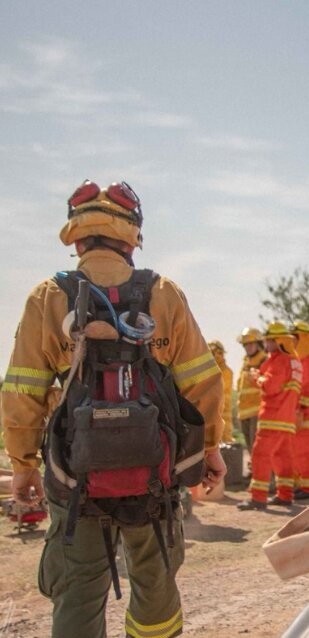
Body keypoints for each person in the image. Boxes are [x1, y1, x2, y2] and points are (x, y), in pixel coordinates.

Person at [1, 179, 226, 637]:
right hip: (154, 479)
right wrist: (210, 449)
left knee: (78, 592)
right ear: (132, 238)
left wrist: (22, 466)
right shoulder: (164, 292)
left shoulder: (47, 297)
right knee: (155, 585)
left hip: (74, 479)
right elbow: (202, 382)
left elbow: (23, 392)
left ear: (76, 239)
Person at [237, 321, 302, 510]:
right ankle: (285, 495)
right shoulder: (294, 361)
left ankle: (258, 498)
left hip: (272, 417)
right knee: (283, 457)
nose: (267, 344)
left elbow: (271, 386)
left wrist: (257, 377)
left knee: (260, 455)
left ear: (280, 341)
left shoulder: (279, 360)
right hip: (287, 418)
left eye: (270, 340)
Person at [290, 320, 309, 499]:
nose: (292, 341)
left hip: (308, 415)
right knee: (298, 452)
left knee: (305, 452)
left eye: (295, 337)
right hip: (303, 413)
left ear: (303, 338)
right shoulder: (302, 359)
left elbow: (308, 386)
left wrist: (301, 409)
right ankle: (302, 485)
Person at [236, 326, 267, 473]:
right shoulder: (245, 363)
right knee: (250, 446)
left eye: (250, 344)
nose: (247, 347)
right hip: (244, 412)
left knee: (259, 446)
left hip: (258, 411)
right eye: (245, 344)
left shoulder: (264, 360)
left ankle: (264, 476)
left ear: (258, 343)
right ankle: (256, 473)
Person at [209, 339, 236, 443]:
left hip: (224, 416)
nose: (214, 356)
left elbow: (217, 388)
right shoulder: (209, 371)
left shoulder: (227, 372)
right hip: (211, 415)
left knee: (225, 444)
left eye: (216, 353)